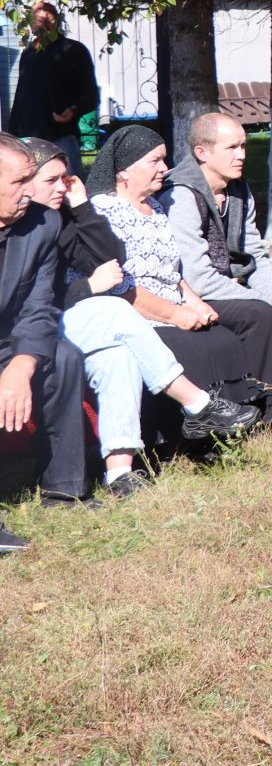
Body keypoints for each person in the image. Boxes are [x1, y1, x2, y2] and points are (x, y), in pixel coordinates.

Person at [22, 139, 258, 497]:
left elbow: (112, 255)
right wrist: (88, 288)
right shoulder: (18, 228)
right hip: (36, 327)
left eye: (65, 179)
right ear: (23, 182)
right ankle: (196, 403)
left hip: (69, 321)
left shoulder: (56, 218)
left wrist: (82, 207)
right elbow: (29, 302)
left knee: (118, 358)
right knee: (116, 309)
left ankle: (119, 474)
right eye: (52, 181)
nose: (62, 187)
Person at [88, 125, 272, 435]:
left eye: (164, 159)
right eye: (155, 161)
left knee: (221, 336)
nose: (164, 169)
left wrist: (195, 303)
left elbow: (173, 271)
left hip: (172, 304)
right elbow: (120, 287)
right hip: (137, 314)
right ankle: (192, 433)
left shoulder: (154, 207)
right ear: (125, 171)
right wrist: (176, 314)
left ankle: (236, 421)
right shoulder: (104, 215)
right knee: (192, 344)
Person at [160, 112, 272, 416]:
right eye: (232, 148)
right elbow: (197, 277)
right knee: (257, 311)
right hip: (193, 295)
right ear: (202, 152)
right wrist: (269, 305)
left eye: (243, 146)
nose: (242, 155)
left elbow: (253, 253)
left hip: (230, 283)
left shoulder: (237, 189)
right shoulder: (180, 195)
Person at [0, 132, 92, 536]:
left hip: (9, 341)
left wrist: (21, 365)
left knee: (63, 357)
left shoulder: (43, 225)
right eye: (20, 182)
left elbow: (39, 306)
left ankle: (64, 491)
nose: (29, 192)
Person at [7, 0, 99, 172]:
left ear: (54, 20)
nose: (37, 24)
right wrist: (13, 133)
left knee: (65, 185)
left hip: (59, 135)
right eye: (34, 19)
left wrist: (72, 110)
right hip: (28, 138)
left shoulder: (72, 50)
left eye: (43, 19)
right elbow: (22, 94)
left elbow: (90, 94)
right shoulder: (29, 54)